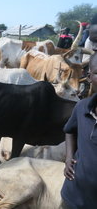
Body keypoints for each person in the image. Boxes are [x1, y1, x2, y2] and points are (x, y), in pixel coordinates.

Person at [62, 52, 97, 209]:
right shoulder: (82, 107)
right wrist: (69, 157)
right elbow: (69, 130)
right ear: (89, 77)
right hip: (74, 195)